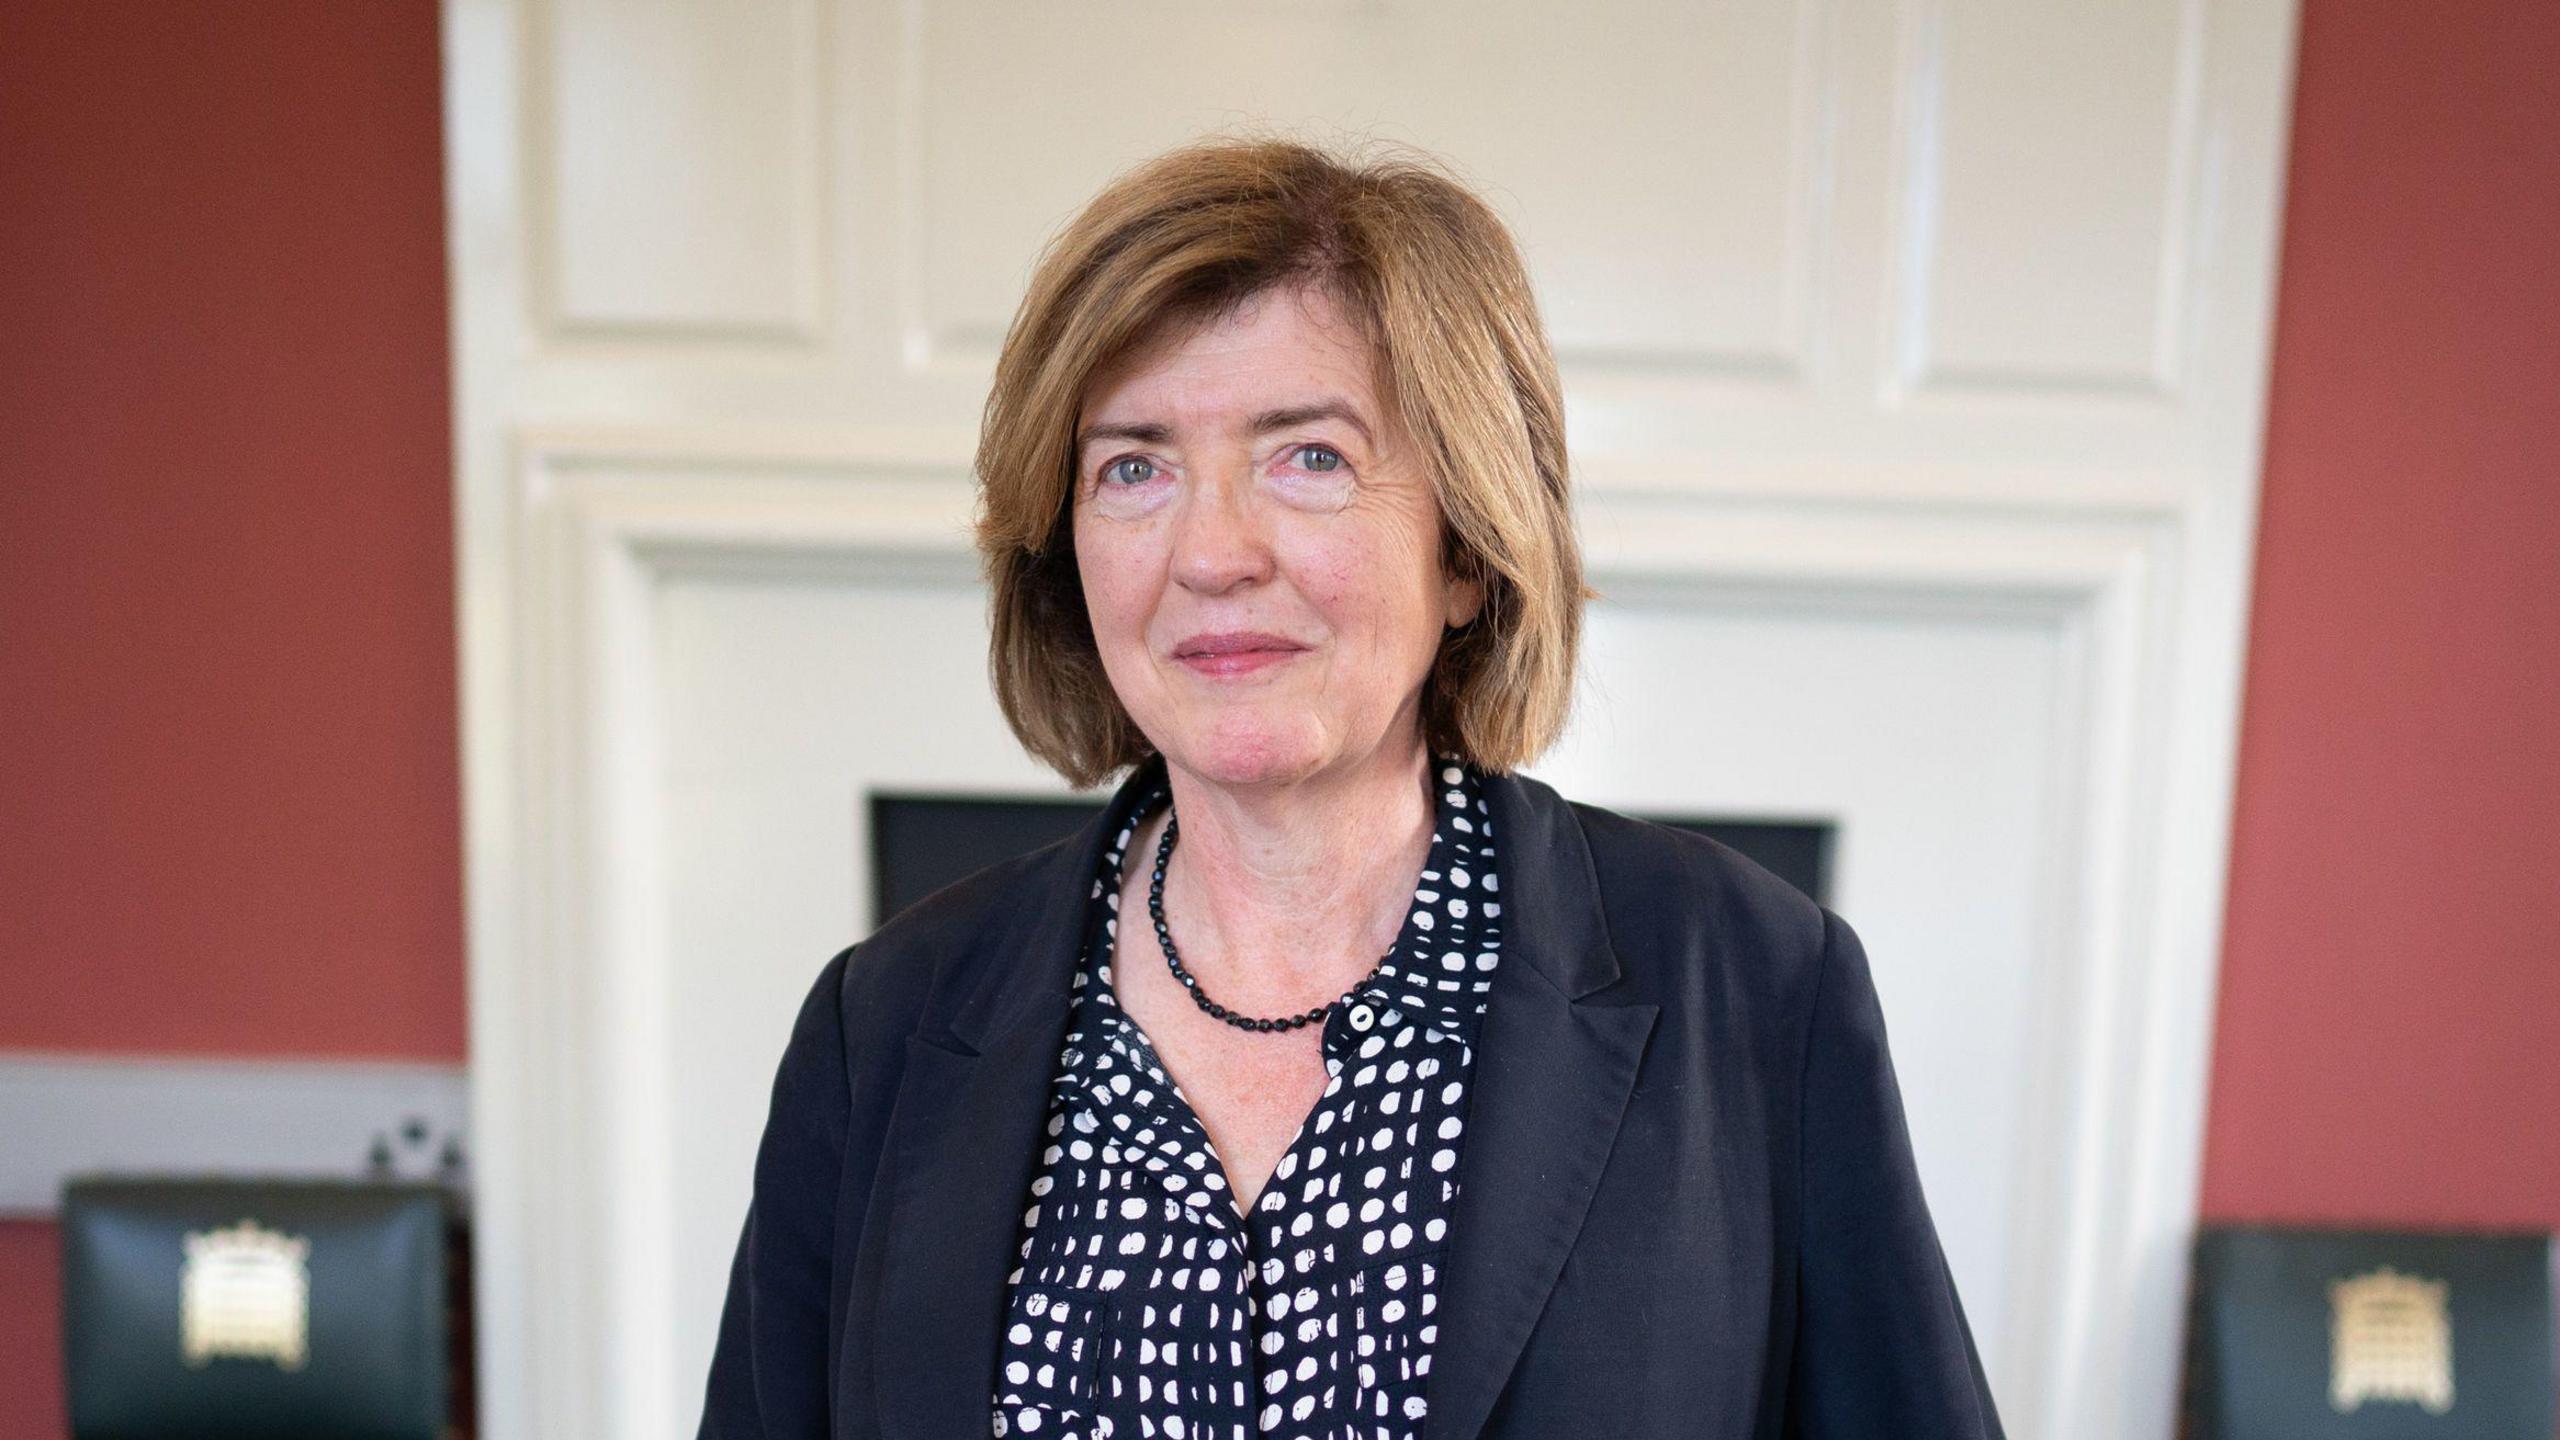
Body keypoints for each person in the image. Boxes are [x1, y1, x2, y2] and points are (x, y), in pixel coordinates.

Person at [697, 135, 2004, 1440]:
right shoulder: (884, 1027)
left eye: (1308, 456)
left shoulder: (1755, 987)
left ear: (1470, 550)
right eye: (1133, 467)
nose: (1211, 552)